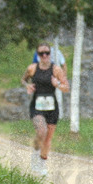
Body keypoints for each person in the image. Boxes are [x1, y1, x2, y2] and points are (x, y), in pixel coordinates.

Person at [22, 42, 70, 175]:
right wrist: (28, 86)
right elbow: (23, 79)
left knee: (48, 139)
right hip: (37, 105)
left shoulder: (56, 70)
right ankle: (35, 156)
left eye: (47, 53)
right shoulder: (32, 68)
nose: (44, 56)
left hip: (52, 107)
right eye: (41, 53)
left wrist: (58, 84)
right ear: (37, 55)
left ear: (50, 54)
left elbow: (67, 88)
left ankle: (41, 164)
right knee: (41, 131)